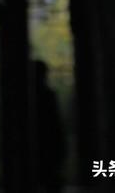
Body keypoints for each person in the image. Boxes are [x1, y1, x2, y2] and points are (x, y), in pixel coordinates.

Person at [33, 59, 66, 193]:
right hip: (50, 144)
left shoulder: (39, 97)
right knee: (51, 179)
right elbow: (55, 123)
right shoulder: (48, 95)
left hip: (45, 145)